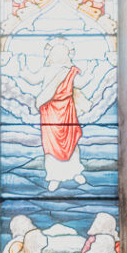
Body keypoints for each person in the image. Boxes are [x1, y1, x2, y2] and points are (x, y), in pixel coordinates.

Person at [35, 39, 85, 189]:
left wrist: (94, 71)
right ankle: (53, 176)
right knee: (51, 145)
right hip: (50, 110)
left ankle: (75, 171)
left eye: (62, 53)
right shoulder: (46, 70)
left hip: (67, 109)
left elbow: (81, 83)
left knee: (72, 141)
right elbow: (33, 79)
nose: (59, 56)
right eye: (56, 53)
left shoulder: (70, 71)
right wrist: (21, 68)